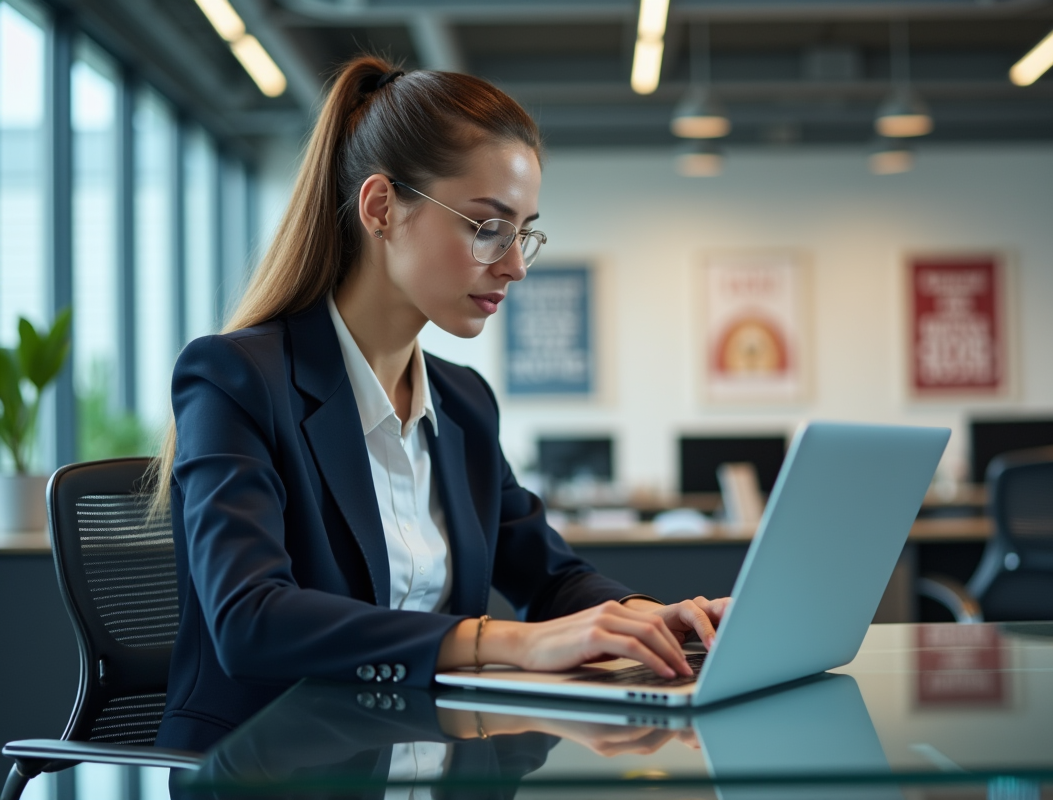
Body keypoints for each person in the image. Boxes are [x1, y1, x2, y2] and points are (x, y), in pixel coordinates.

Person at [152, 56, 728, 753]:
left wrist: (651, 620)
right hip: (272, 766)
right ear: (381, 208)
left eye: (524, 232)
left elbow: (550, 577)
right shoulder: (236, 379)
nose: (515, 264)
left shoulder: (463, 403)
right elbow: (251, 622)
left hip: (423, 756)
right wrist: (509, 642)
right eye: (488, 227)